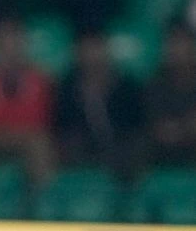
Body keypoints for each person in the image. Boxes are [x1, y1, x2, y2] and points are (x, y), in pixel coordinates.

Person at [0, 18, 55, 187]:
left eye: (15, 41)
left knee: (39, 142)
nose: (10, 49)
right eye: (4, 42)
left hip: (27, 135)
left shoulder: (38, 78)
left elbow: (38, 116)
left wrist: (12, 126)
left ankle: (44, 199)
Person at [55, 33, 144, 180]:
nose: (92, 56)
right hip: (81, 147)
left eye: (96, 48)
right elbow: (63, 124)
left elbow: (134, 122)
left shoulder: (126, 86)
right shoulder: (67, 88)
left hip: (119, 145)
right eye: (86, 49)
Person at [145, 22, 196, 166]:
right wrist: (187, 128)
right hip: (163, 157)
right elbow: (162, 132)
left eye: (182, 43)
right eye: (173, 43)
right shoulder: (155, 85)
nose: (178, 49)